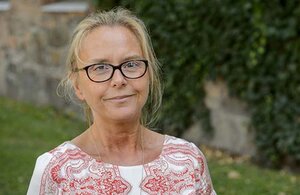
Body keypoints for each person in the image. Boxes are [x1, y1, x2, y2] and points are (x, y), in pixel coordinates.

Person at [27, 7, 216, 195]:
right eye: (100, 67)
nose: (119, 80)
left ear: (149, 74)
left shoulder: (188, 161)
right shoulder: (57, 171)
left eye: (131, 64)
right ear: (78, 86)